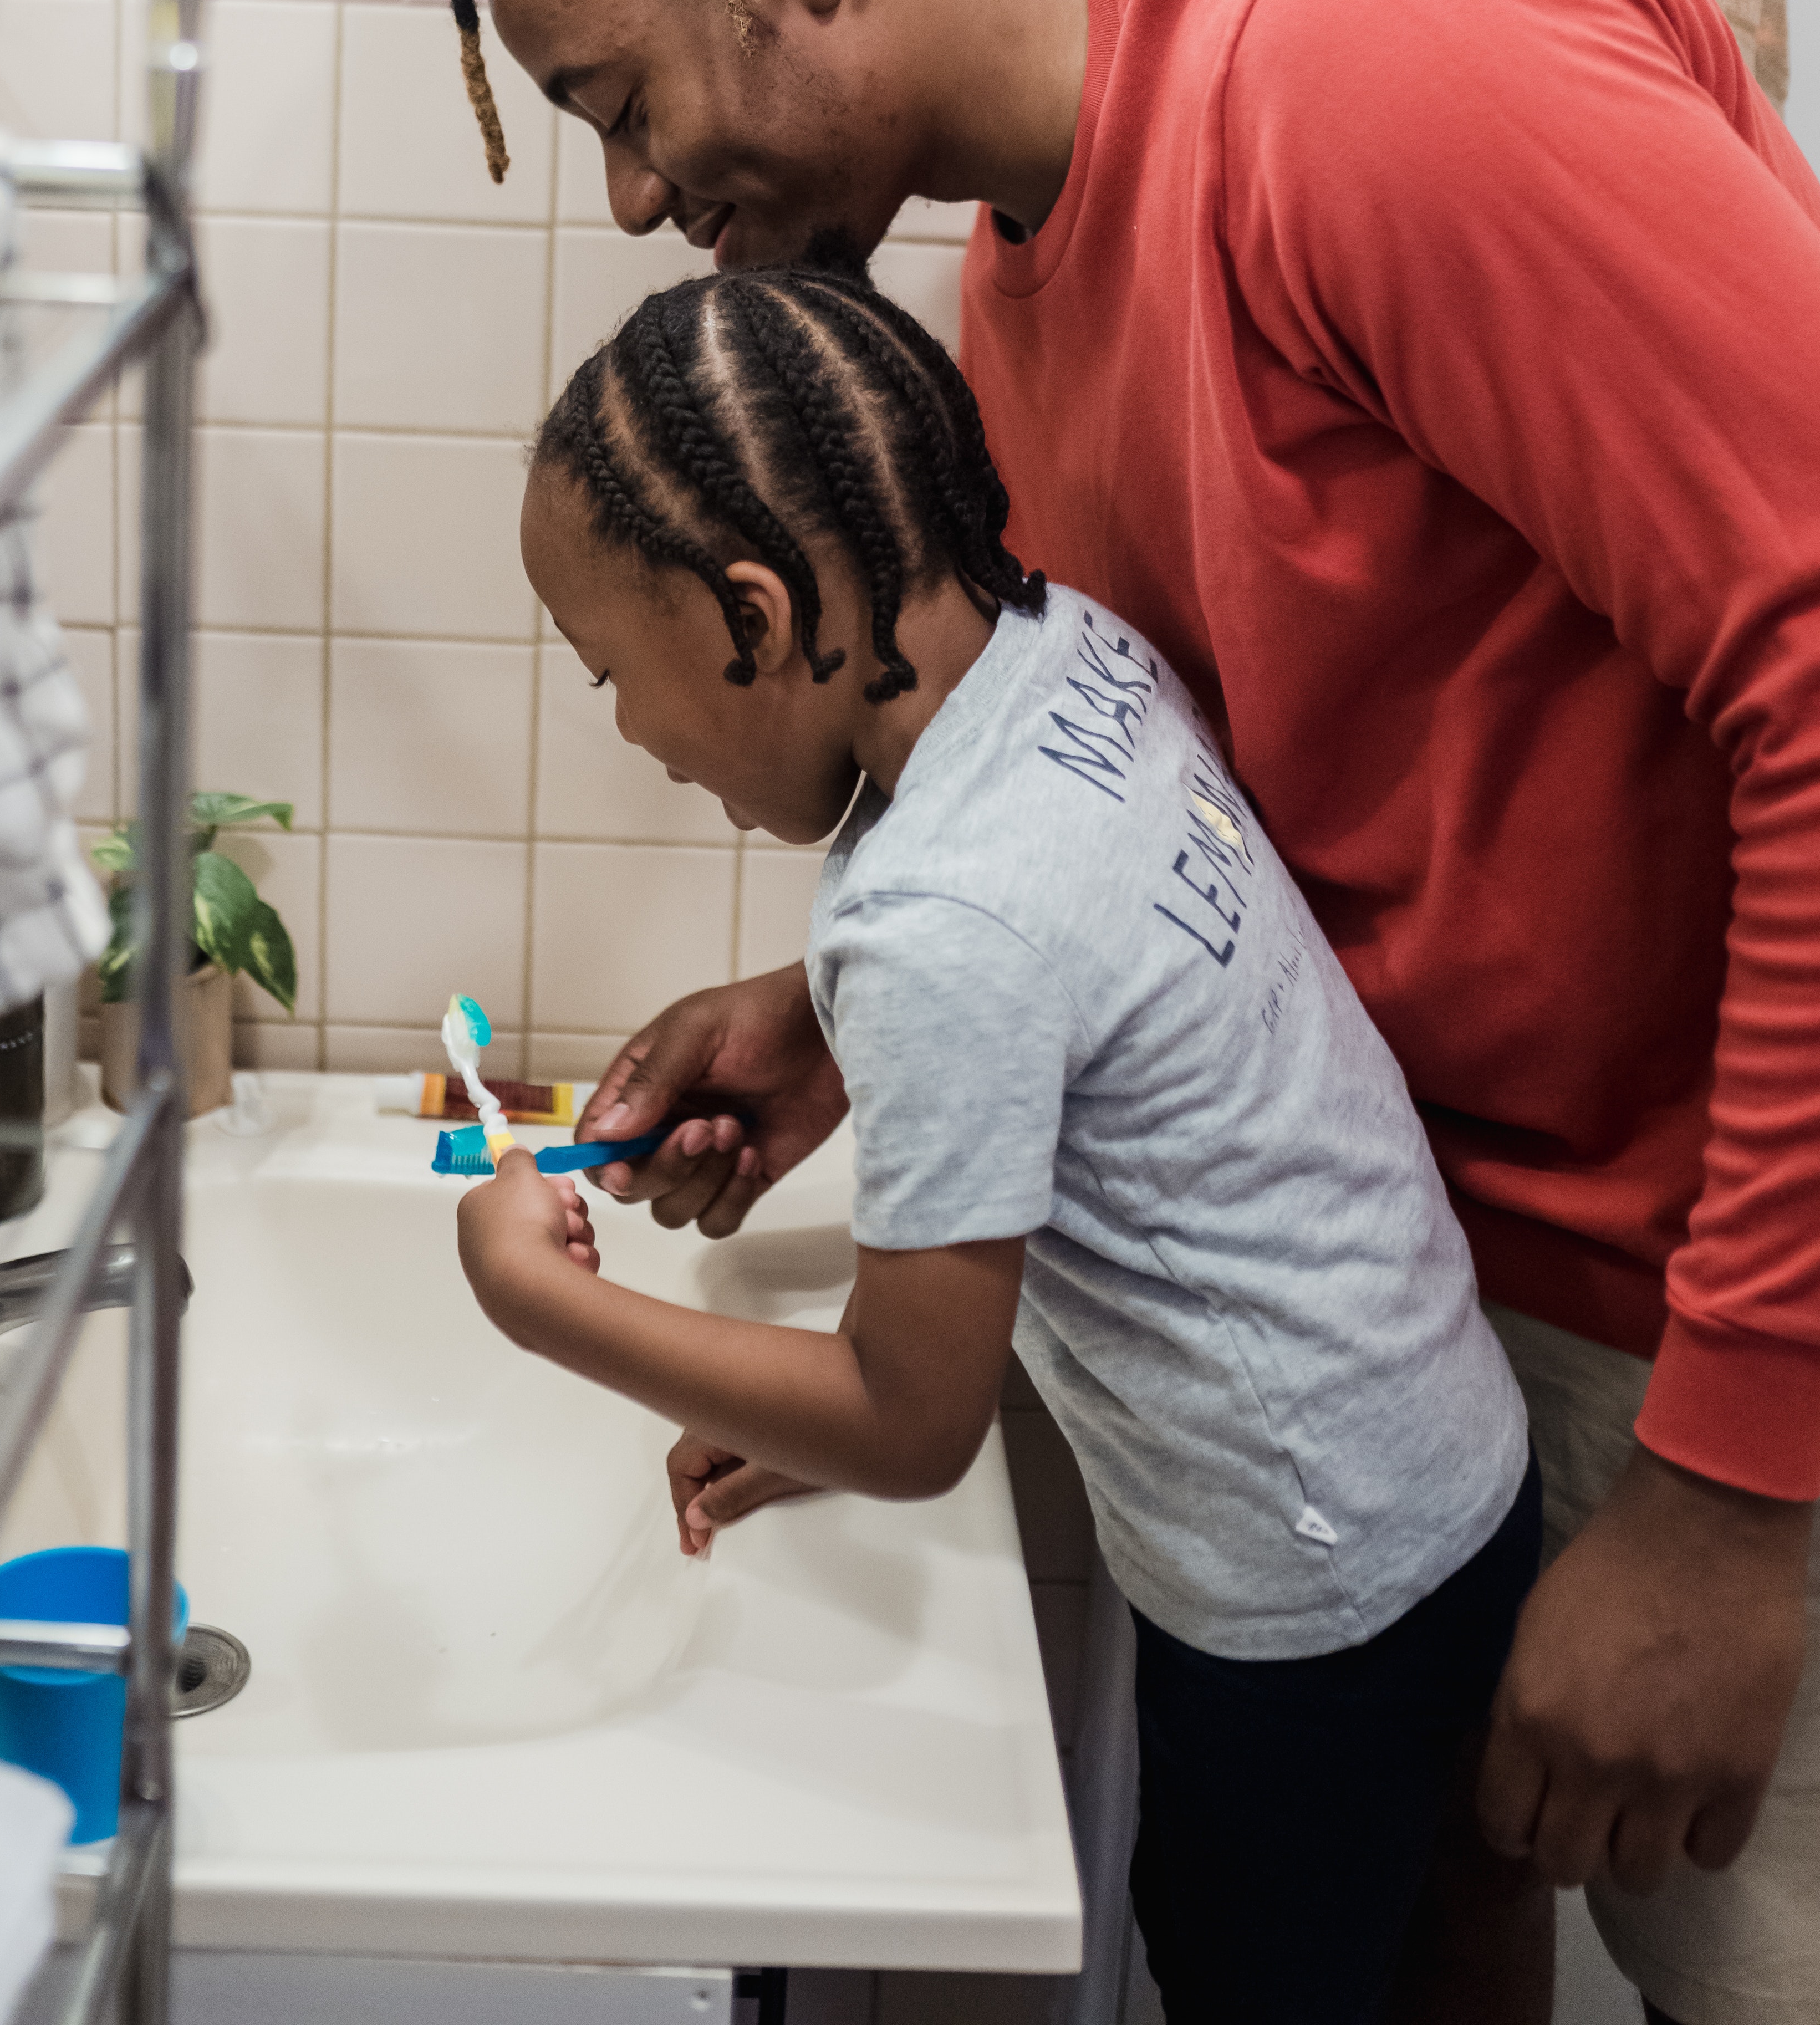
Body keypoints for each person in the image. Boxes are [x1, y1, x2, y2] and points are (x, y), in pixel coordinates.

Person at [440, 0, 1820, 2025]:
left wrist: (1729, 1499)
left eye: (617, 101)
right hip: (1433, 1312)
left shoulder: (1369, 65)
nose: (637, 200)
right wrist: (843, 1015)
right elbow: (1154, 834)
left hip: (1728, 1303)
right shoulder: (1013, 266)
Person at [462, 255, 1541, 2023]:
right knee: (1430, 1954)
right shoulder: (1064, 651)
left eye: (609, 672)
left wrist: (539, 1305)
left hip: (1307, 1596)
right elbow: (1107, 1080)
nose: (633, 732)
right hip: (1439, 1474)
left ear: (748, 612)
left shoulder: (936, 922)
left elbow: (911, 1418)